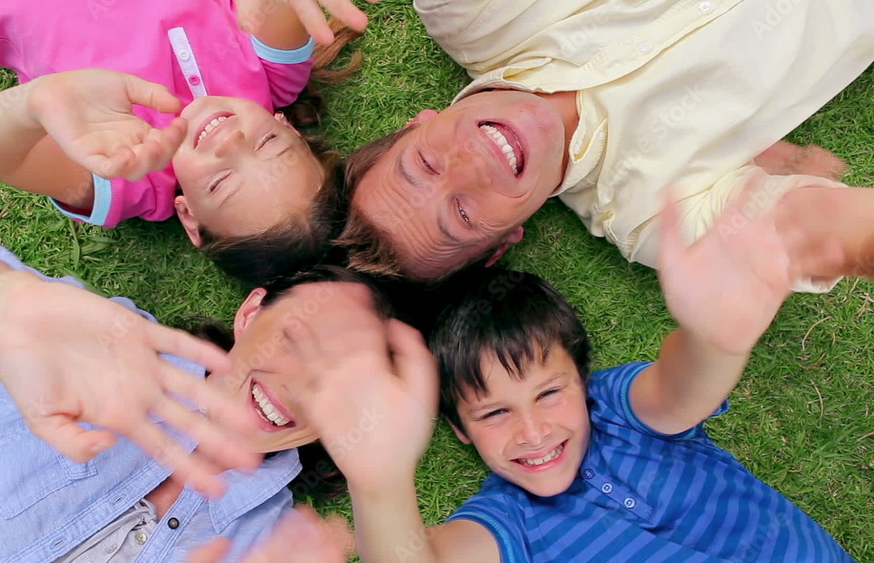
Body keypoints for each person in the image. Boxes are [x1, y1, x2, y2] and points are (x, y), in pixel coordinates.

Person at [291, 184, 855, 560]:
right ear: (459, 429)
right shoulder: (508, 521)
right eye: (494, 412)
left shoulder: (618, 411)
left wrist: (715, 339)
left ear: (582, 382)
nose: (533, 432)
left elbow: (682, 391)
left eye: (549, 393)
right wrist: (379, 483)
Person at [0, 241, 390, 561]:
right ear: (252, 313)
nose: (300, 387)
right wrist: (5, 305)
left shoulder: (271, 545)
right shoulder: (117, 343)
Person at [336, 0, 874, 290]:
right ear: (503, 242)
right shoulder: (652, 219)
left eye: (426, 164)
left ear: (418, 123)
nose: (471, 167)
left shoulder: (469, 12)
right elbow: (820, 229)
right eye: (462, 214)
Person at [0, 0, 371, 284]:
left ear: (189, 216)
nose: (229, 141)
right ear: (290, 128)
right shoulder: (275, 77)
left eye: (221, 182)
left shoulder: (126, 176)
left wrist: (35, 102)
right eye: (268, 145)